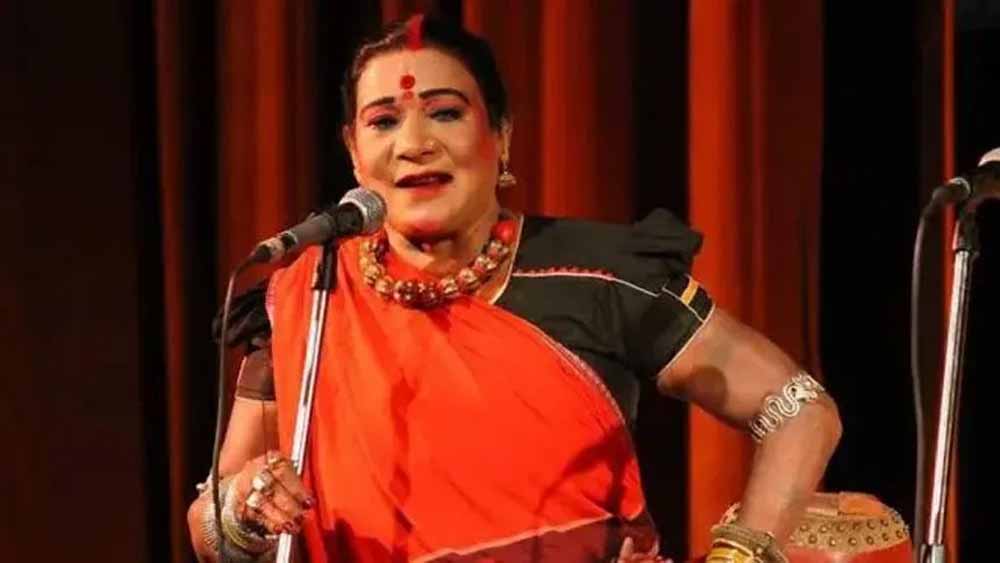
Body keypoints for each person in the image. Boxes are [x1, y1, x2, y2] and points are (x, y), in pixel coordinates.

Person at [187, 14, 842, 563]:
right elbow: (209, 527)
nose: (414, 143)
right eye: (383, 122)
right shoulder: (312, 296)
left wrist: (742, 555)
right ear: (354, 153)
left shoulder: (599, 276)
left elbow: (799, 408)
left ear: (500, 136)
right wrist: (244, 506)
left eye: (445, 113)